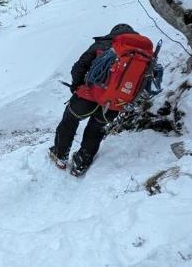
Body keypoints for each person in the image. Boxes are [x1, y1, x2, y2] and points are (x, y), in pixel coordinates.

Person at [50, 24, 153, 176]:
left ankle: (60, 156)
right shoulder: (145, 54)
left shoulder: (102, 44)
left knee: (69, 121)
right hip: (114, 103)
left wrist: (76, 86)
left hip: (87, 97)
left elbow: (79, 67)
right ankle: (81, 164)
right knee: (96, 130)